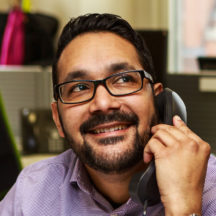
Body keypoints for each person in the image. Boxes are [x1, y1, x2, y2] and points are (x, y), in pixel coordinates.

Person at [0, 13, 215, 216]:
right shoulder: (31, 194)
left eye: (123, 80)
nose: (103, 103)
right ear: (58, 119)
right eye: (79, 87)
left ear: (157, 102)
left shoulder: (211, 192)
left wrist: (185, 208)